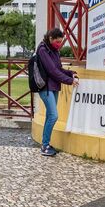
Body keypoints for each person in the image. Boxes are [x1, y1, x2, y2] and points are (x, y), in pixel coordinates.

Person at [35, 27, 79, 156]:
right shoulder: (43, 50)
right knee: (54, 116)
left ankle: (46, 143)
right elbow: (52, 71)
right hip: (45, 87)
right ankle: (44, 145)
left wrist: (71, 74)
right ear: (50, 38)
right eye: (57, 42)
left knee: (50, 115)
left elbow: (58, 68)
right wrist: (69, 81)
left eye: (61, 42)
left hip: (54, 86)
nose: (59, 45)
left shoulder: (54, 51)